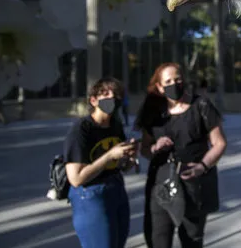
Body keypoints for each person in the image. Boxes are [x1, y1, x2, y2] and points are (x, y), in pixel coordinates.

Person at [135, 63, 227, 248]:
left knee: (192, 240)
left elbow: (219, 143)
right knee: (157, 238)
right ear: (160, 87)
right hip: (160, 184)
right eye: (167, 81)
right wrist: (154, 148)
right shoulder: (153, 112)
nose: (174, 84)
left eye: (177, 79)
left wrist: (203, 166)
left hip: (193, 184)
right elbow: (144, 148)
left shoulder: (201, 105)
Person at [63, 77, 138, 248]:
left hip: (116, 190)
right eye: (105, 93)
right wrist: (110, 155)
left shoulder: (115, 126)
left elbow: (120, 167)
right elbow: (76, 179)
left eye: (116, 94)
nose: (112, 97)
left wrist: (130, 157)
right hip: (90, 195)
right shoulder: (81, 130)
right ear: (93, 100)